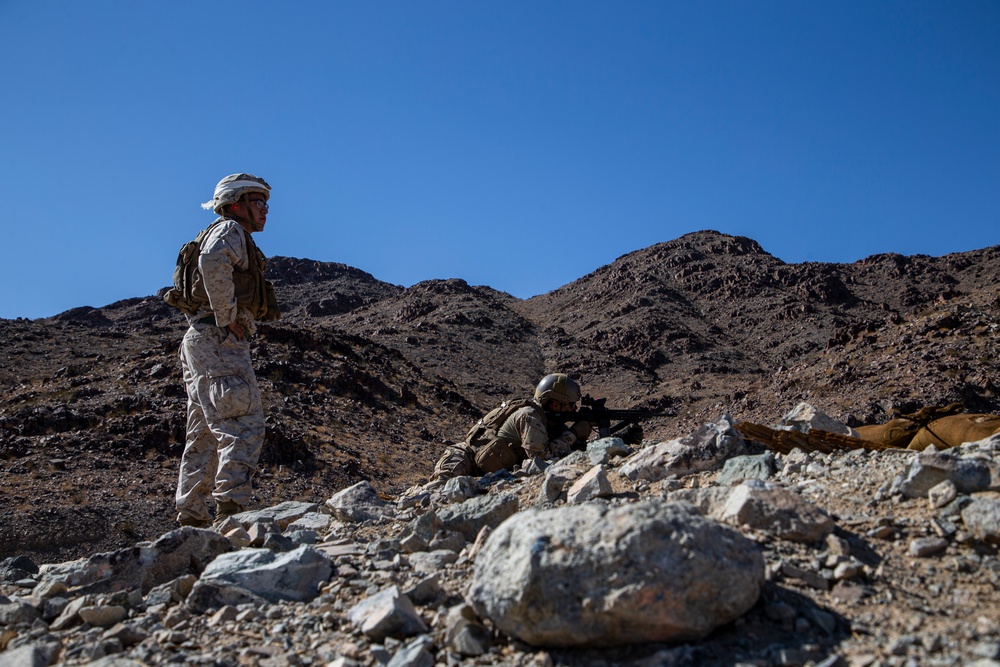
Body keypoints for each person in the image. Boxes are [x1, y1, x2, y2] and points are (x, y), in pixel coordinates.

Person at [172, 173, 280, 528]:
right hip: (219, 341)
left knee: (203, 433)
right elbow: (212, 262)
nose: (265, 209)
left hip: (199, 340)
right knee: (243, 424)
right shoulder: (230, 232)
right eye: (257, 202)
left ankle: (191, 518)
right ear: (236, 204)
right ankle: (232, 513)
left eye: (266, 203)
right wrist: (229, 317)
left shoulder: (221, 232)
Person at [431, 373, 592, 481]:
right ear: (557, 404)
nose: (574, 410)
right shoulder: (529, 416)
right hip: (465, 460)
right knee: (439, 491)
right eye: (571, 405)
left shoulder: (551, 423)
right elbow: (540, 458)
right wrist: (574, 433)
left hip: (485, 474)